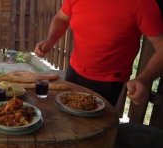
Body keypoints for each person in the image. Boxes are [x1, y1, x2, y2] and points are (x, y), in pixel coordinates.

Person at [34, 0, 163, 106]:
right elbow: (61, 18)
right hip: (74, 72)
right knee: (66, 117)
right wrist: (50, 40)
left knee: (91, 130)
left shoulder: (143, 4)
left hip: (108, 82)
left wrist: (144, 79)